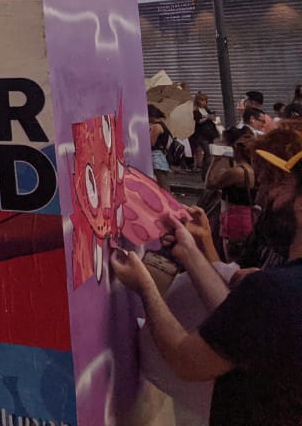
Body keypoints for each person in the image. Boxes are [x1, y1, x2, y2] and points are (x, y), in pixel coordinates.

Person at [111, 121, 302, 426]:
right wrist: (190, 250)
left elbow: (188, 361)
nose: (265, 196)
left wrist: (145, 287)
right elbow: (237, 320)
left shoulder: (275, 290)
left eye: (277, 184)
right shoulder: (276, 289)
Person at [206, 127, 256, 261]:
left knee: (232, 260)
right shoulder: (253, 169)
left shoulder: (237, 172)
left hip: (234, 219)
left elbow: (210, 183)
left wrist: (215, 161)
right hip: (247, 218)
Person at [149, 105, 172, 190]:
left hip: (156, 158)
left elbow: (151, 143)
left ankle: (170, 203)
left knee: (164, 186)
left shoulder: (156, 127)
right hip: (161, 156)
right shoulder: (162, 125)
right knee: (163, 185)